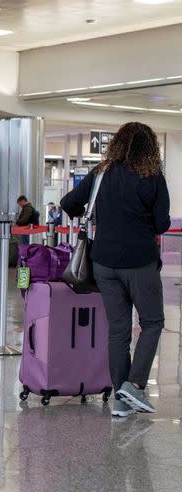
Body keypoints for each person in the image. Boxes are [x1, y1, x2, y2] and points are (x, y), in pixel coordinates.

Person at [61, 122, 170, 418]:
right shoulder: (153, 177)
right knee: (152, 322)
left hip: (104, 264)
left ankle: (121, 403)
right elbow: (161, 224)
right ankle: (134, 384)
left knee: (118, 331)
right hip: (140, 263)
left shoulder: (100, 173)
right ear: (150, 148)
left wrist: (93, 214)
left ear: (117, 144)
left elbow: (68, 203)